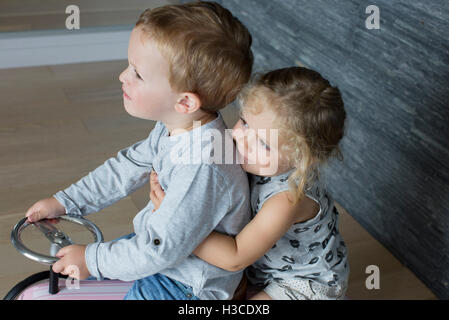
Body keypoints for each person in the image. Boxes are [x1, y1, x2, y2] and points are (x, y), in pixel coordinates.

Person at [24, 1, 254, 300]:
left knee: (112, 261)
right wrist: (66, 201)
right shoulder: (177, 126)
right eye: (129, 65)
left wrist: (92, 261)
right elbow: (127, 166)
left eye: (138, 74)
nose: (123, 76)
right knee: (112, 255)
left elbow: (160, 249)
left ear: (184, 102)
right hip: (165, 245)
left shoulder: (202, 166)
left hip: (187, 282)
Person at [150, 66, 350, 300]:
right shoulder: (252, 157)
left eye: (264, 144)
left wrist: (176, 224)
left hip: (302, 284)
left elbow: (235, 257)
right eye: (244, 122)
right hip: (261, 269)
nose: (241, 139)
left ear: (302, 158)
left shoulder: (287, 199)